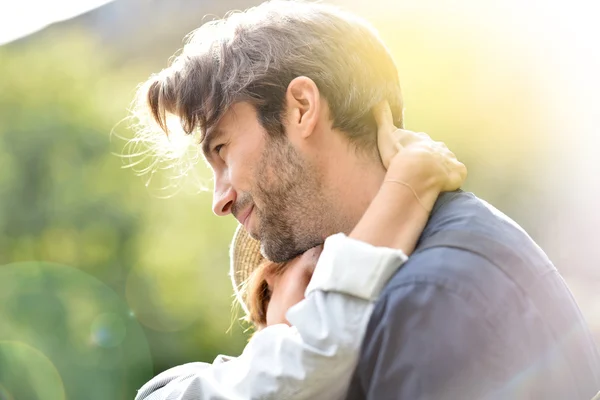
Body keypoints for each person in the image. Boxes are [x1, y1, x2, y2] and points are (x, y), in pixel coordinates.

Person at [131, 1, 600, 398]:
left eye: (220, 149)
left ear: (301, 108)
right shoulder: (428, 273)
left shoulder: (427, 300)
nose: (220, 199)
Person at [135, 102, 467, 399]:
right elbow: (309, 359)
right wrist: (410, 182)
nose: (334, 300)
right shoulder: (177, 391)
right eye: (320, 275)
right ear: (267, 291)